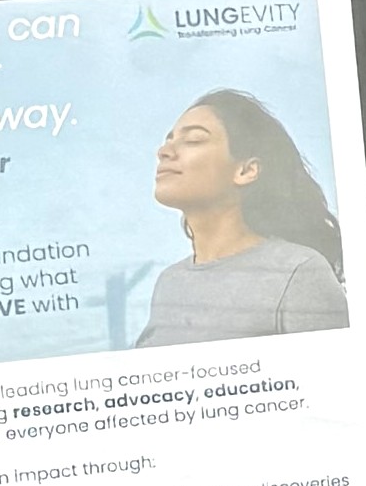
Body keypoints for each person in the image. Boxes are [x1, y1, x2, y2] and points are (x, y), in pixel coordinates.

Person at [138, 91, 350, 341]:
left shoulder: (298, 272)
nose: (164, 151)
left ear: (247, 170)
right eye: (168, 140)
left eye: (194, 140)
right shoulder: (169, 283)